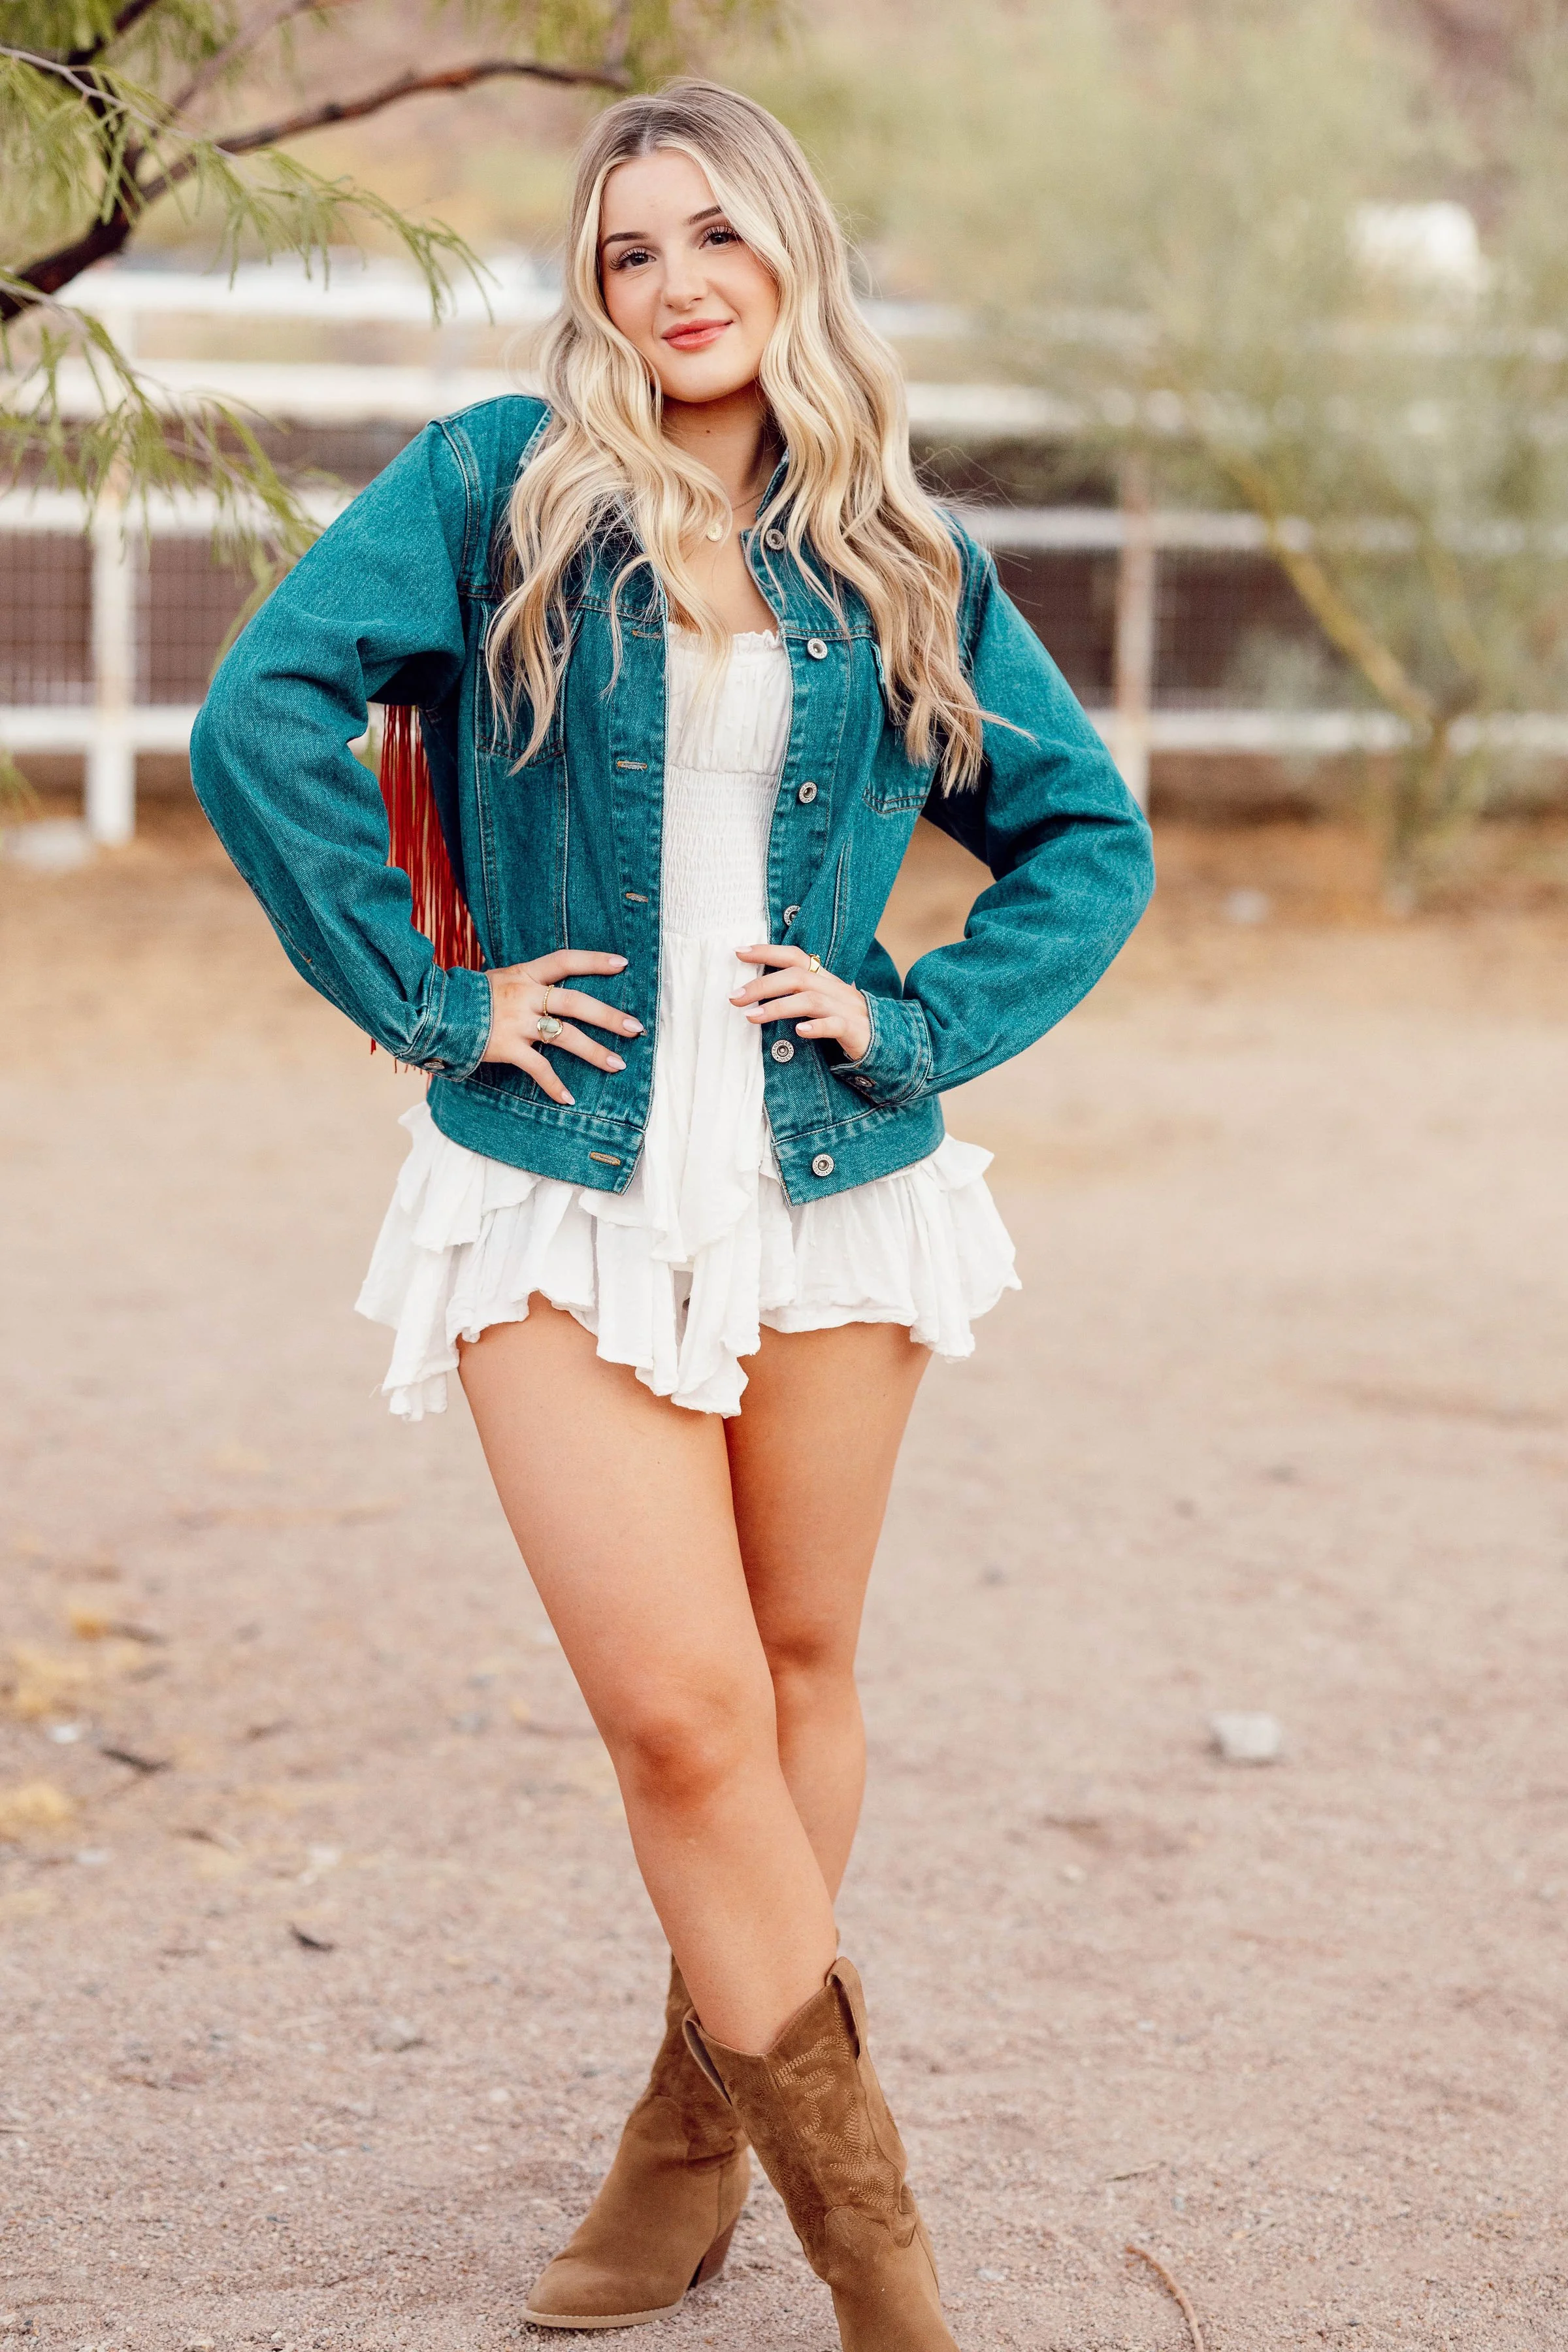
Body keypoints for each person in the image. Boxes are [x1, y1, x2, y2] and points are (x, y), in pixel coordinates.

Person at [191, 77, 1153, 2352]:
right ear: (595, 289)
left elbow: (1087, 838)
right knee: (685, 1719)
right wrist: (433, 1001)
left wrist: (910, 1023)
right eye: (630, 251)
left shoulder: (899, 550)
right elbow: (259, 716)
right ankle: (888, 2274)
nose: (678, 282)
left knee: (801, 1671)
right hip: (564, 1179)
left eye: (717, 234)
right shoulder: (498, 492)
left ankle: (688, 2139)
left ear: (792, 252)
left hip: (826, 1179)